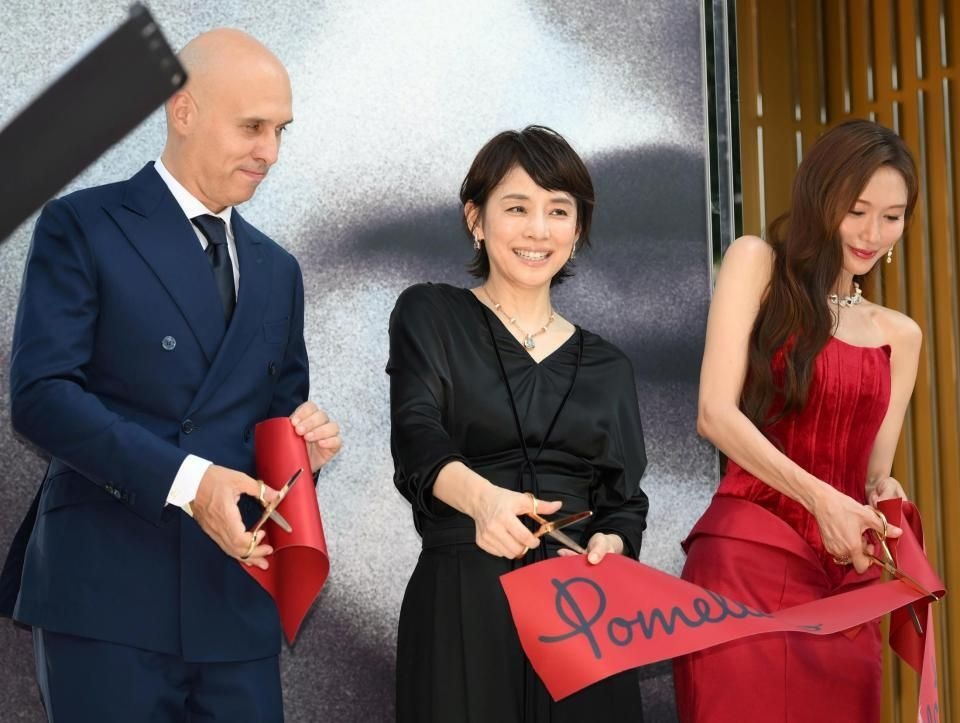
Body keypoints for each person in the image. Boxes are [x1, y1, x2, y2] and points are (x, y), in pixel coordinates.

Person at [0, 28, 341, 721]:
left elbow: (273, 418)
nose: (270, 152)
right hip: (107, 594)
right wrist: (191, 483)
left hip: (235, 602)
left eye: (280, 130)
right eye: (252, 126)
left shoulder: (278, 270)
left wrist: (300, 451)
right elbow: (41, 396)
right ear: (183, 110)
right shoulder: (84, 224)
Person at [387, 125, 649, 722]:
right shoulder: (431, 314)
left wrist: (610, 545)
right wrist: (484, 503)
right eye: (516, 207)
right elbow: (415, 434)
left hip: (581, 615)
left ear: (577, 230)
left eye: (558, 210)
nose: (538, 229)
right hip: (464, 600)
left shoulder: (610, 365)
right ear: (475, 219)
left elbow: (624, 503)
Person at [672, 119, 920, 721]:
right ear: (819, 197)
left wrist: (883, 495)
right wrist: (820, 499)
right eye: (857, 210)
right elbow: (714, 413)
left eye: (891, 216)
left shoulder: (901, 335)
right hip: (746, 562)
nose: (872, 233)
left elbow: (872, 474)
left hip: (846, 585)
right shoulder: (756, 263)